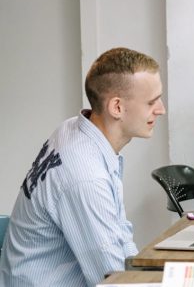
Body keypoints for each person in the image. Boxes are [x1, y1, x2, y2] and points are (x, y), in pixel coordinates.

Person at [0, 48, 166, 287]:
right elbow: (113, 280)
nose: (161, 109)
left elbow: (119, 234)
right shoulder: (85, 177)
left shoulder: (74, 129)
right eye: (152, 102)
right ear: (116, 107)